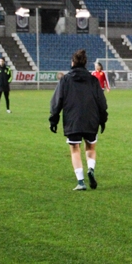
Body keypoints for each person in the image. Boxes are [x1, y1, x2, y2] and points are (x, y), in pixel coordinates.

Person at [49, 50, 108, 191]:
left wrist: (53, 120)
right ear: (85, 63)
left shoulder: (65, 80)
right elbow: (102, 102)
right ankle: (91, 169)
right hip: (91, 119)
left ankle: (81, 181)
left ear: (73, 63)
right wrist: (103, 120)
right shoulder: (93, 80)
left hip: (73, 120)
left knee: (75, 149)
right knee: (91, 147)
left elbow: (56, 102)